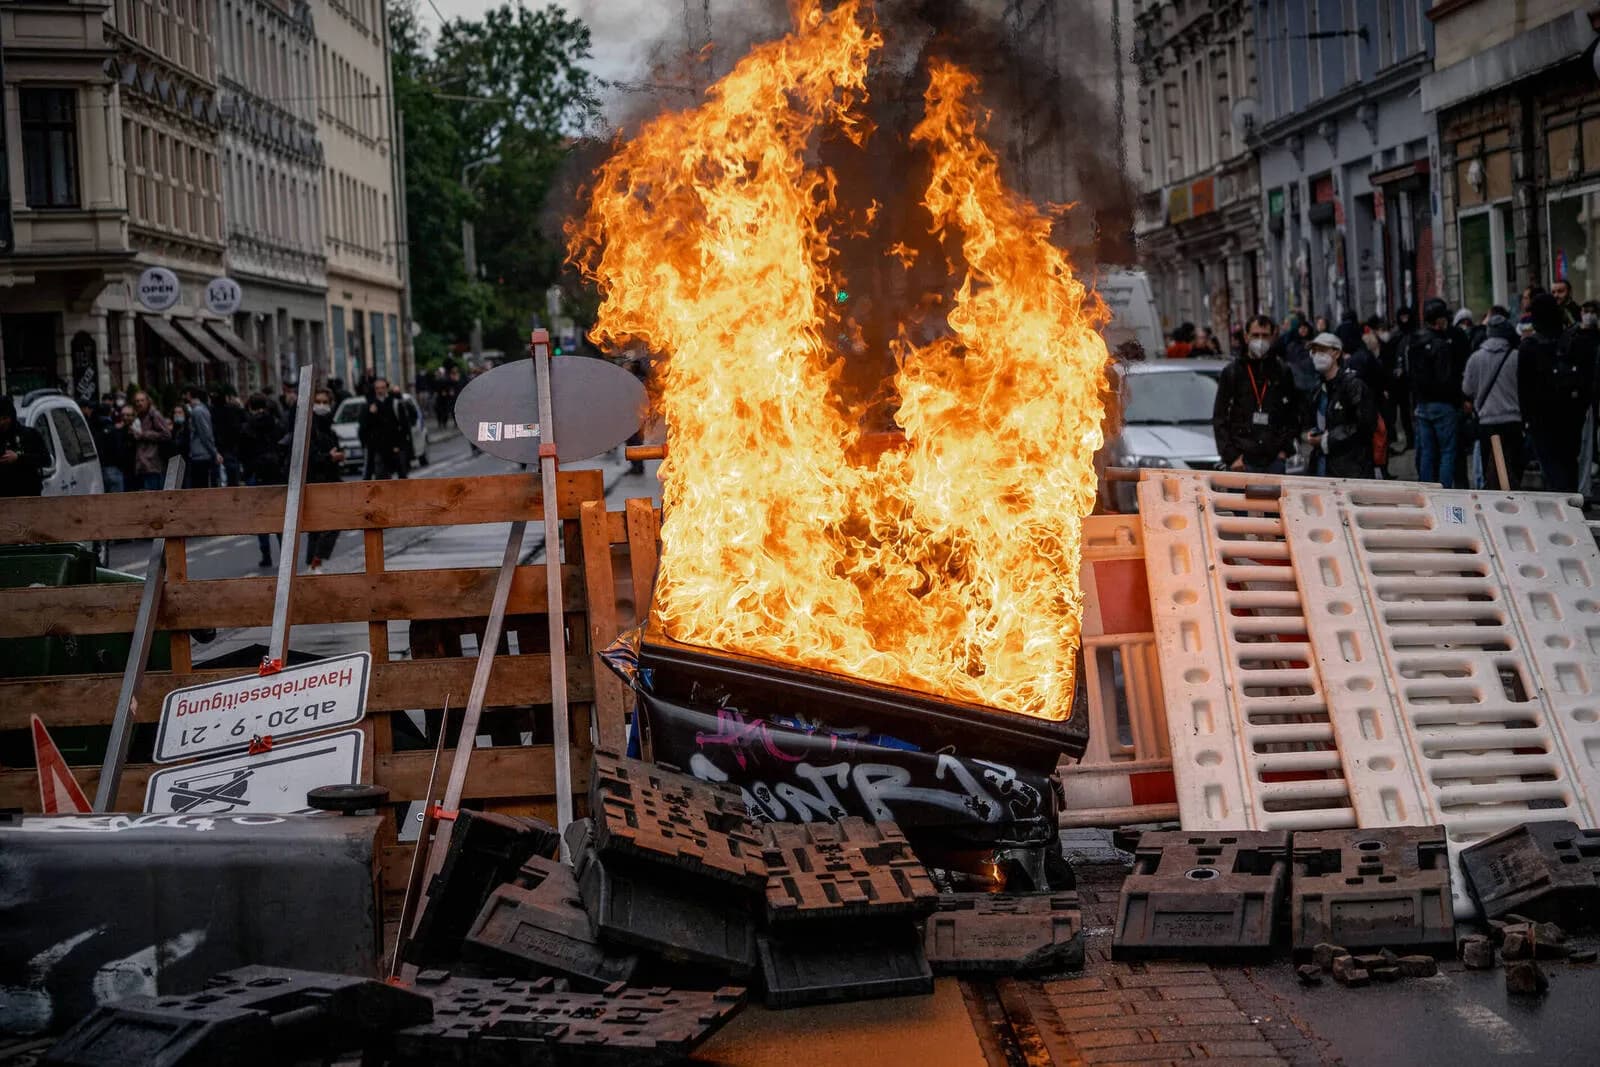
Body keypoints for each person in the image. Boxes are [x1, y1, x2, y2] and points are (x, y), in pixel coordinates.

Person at [1518, 292, 1592, 493]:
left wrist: (1526, 420)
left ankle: (1562, 503)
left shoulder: (1529, 347)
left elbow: (1524, 389)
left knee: (1552, 469)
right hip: (1571, 416)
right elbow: (1586, 380)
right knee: (1569, 464)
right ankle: (1571, 502)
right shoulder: (1574, 341)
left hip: (1541, 420)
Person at [1213, 315, 1300, 474]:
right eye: (1255, 335)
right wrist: (1232, 457)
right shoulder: (1232, 372)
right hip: (1242, 458)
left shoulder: (1282, 371)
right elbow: (1220, 416)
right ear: (1246, 337)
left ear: (1273, 337)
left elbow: (1293, 413)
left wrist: (1285, 450)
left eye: (1265, 335)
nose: (1260, 340)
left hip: (1274, 458)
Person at [1302, 332, 1376, 479]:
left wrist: (1327, 439)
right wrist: (1312, 433)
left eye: (1322, 350)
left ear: (1336, 353)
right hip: (1322, 465)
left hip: (1350, 469)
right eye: (1314, 351)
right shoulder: (1318, 389)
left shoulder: (1353, 385)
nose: (1317, 356)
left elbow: (1364, 425)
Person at [1408, 298, 1465, 487]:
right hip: (1443, 404)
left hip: (1422, 403)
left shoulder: (1414, 342)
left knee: (1427, 451)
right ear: (1440, 320)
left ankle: (1426, 489)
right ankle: (1444, 490)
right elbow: (1445, 378)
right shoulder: (1441, 344)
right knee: (1448, 451)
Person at [1463, 310, 1521, 490]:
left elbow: (1467, 389)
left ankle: (1495, 500)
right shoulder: (1516, 357)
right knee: (1513, 470)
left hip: (1487, 422)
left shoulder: (1475, 358)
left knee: (1491, 470)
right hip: (1513, 421)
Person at [240, 393, 286, 567]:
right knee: (280, 516)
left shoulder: (247, 427)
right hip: (276, 474)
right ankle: (285, 553)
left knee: (261, 516)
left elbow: (243, 454)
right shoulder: (276, 424)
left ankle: (266, 554)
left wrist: (246, 473)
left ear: (250, 407)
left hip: (256, 474)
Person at [304, 388, 346, 573]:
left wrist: (337, 457)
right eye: (318, 402)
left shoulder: (329, 428)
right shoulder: (309, 428)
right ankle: (314, 563)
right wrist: (329, 457)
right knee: (320, 526)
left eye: (325, 402)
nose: (321, 406)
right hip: (315, 482)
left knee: (332, 523)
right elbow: (310, 457)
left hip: (331, 480)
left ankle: (315, 562)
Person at [358, 377, 409, 479]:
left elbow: (404, 426)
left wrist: (399, 445)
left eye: (382, 388)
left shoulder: (395, 403)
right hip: (378, 447)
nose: (380, 390)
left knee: (402, 476)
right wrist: (370, 414)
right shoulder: (369, 405)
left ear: (387, 388)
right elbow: (364, 427)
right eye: (377, 388)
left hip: (395, 446)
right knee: (381, 475)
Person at [0, 396, 49, 497]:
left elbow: (45, 459)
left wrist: (18, 458)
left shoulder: (29, 435)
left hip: (28, 497)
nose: (1, 423)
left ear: (12, 416)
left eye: (4, 418)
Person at [126, 390, 172, 489]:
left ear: (147, 401)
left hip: (153, 465)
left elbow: (166, 434)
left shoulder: (154, 415)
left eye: (142, 400)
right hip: (142, 466)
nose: (139, 403)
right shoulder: (139, 416)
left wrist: (143, 434)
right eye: (137, 401)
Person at [180, 384, 220, 489]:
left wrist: (214, 452)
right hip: (200, 455)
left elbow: (205, 434)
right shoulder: (198, 410)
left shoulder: (198, 411)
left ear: (189, 395)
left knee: (201, 486)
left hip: (201, 455)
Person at [211, 387, 245, 488]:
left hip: (220, 446)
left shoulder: (212, 412)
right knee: (232, 475)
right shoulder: (233, 410)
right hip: (232, 446)